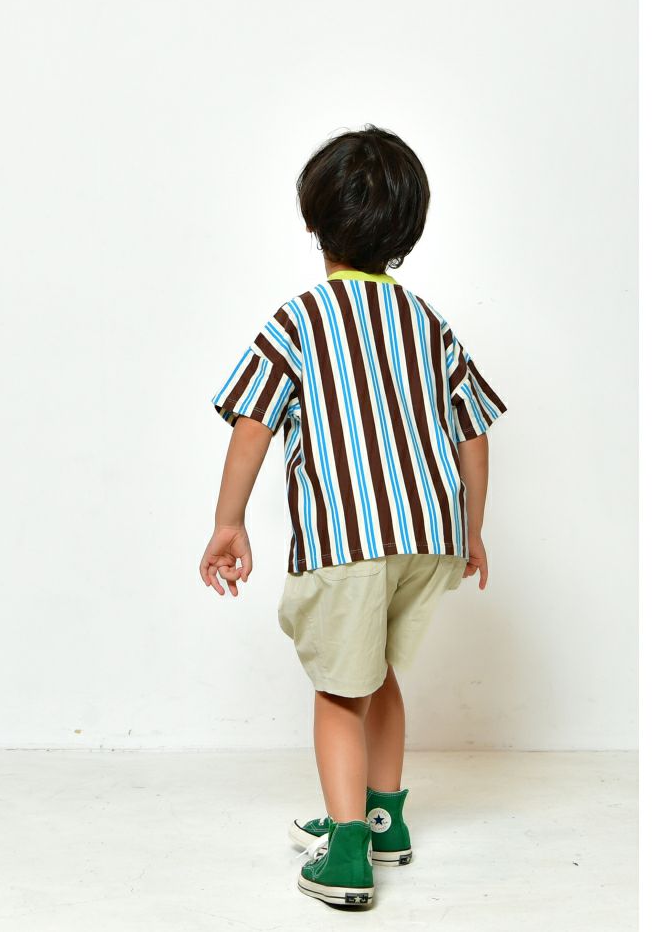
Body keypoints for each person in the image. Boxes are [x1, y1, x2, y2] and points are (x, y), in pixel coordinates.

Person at [199, 125, 507, 908]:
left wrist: (228, 522)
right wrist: (471, 529)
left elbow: (253, 425)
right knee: (378, 673)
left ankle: (344, 855)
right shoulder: (426, 321)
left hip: (348, 539)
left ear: (314, 222)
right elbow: (473, 430)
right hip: (428, 536)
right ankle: (383, 818)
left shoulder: (301, 320)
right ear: (407, 229)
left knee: (340, 692)